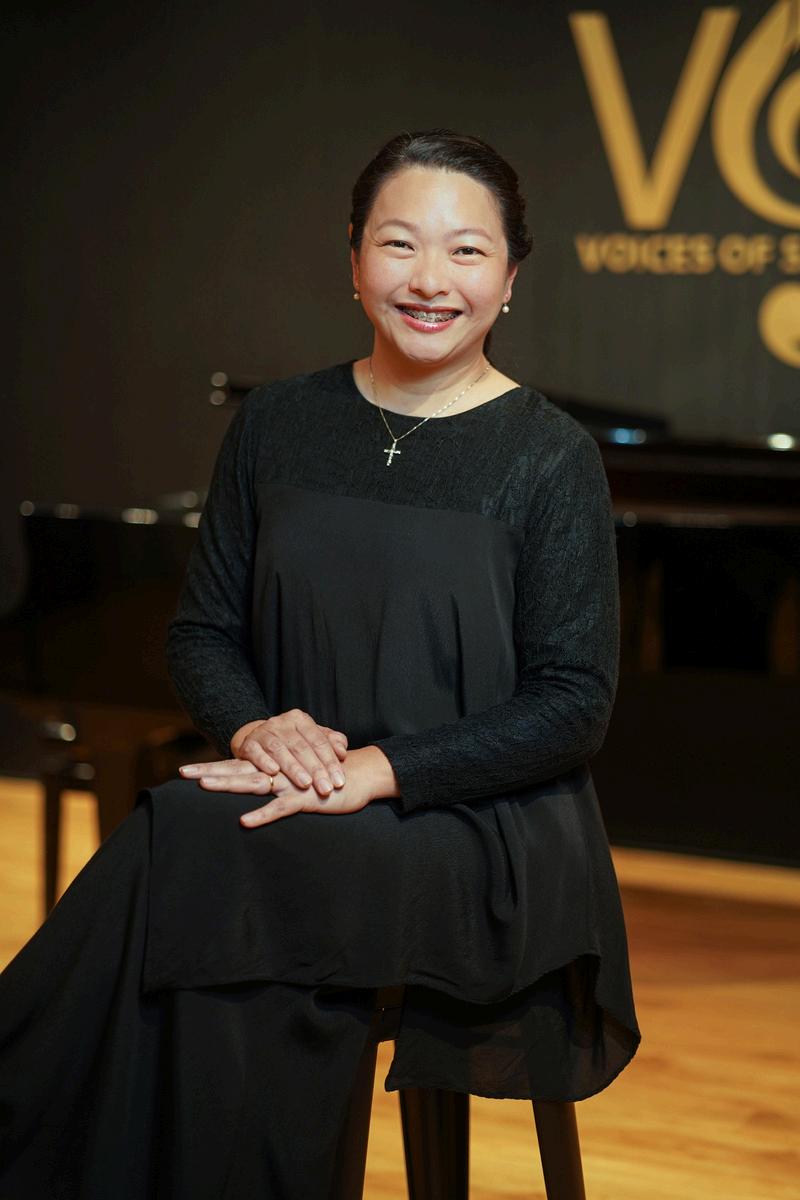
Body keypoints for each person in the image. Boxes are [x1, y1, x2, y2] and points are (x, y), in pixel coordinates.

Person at [0, 128, 641, 1199]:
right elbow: (202, 634)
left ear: (510, 278)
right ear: (352, 260)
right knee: (213, 836)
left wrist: (376, 771)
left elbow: (573, 705)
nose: (429, 279)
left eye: (466, 251)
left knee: (205, 843)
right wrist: (261, 730)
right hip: (299, 795)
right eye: (398, 243)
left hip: (478, 825)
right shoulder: (278, 423)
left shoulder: (549, 457)